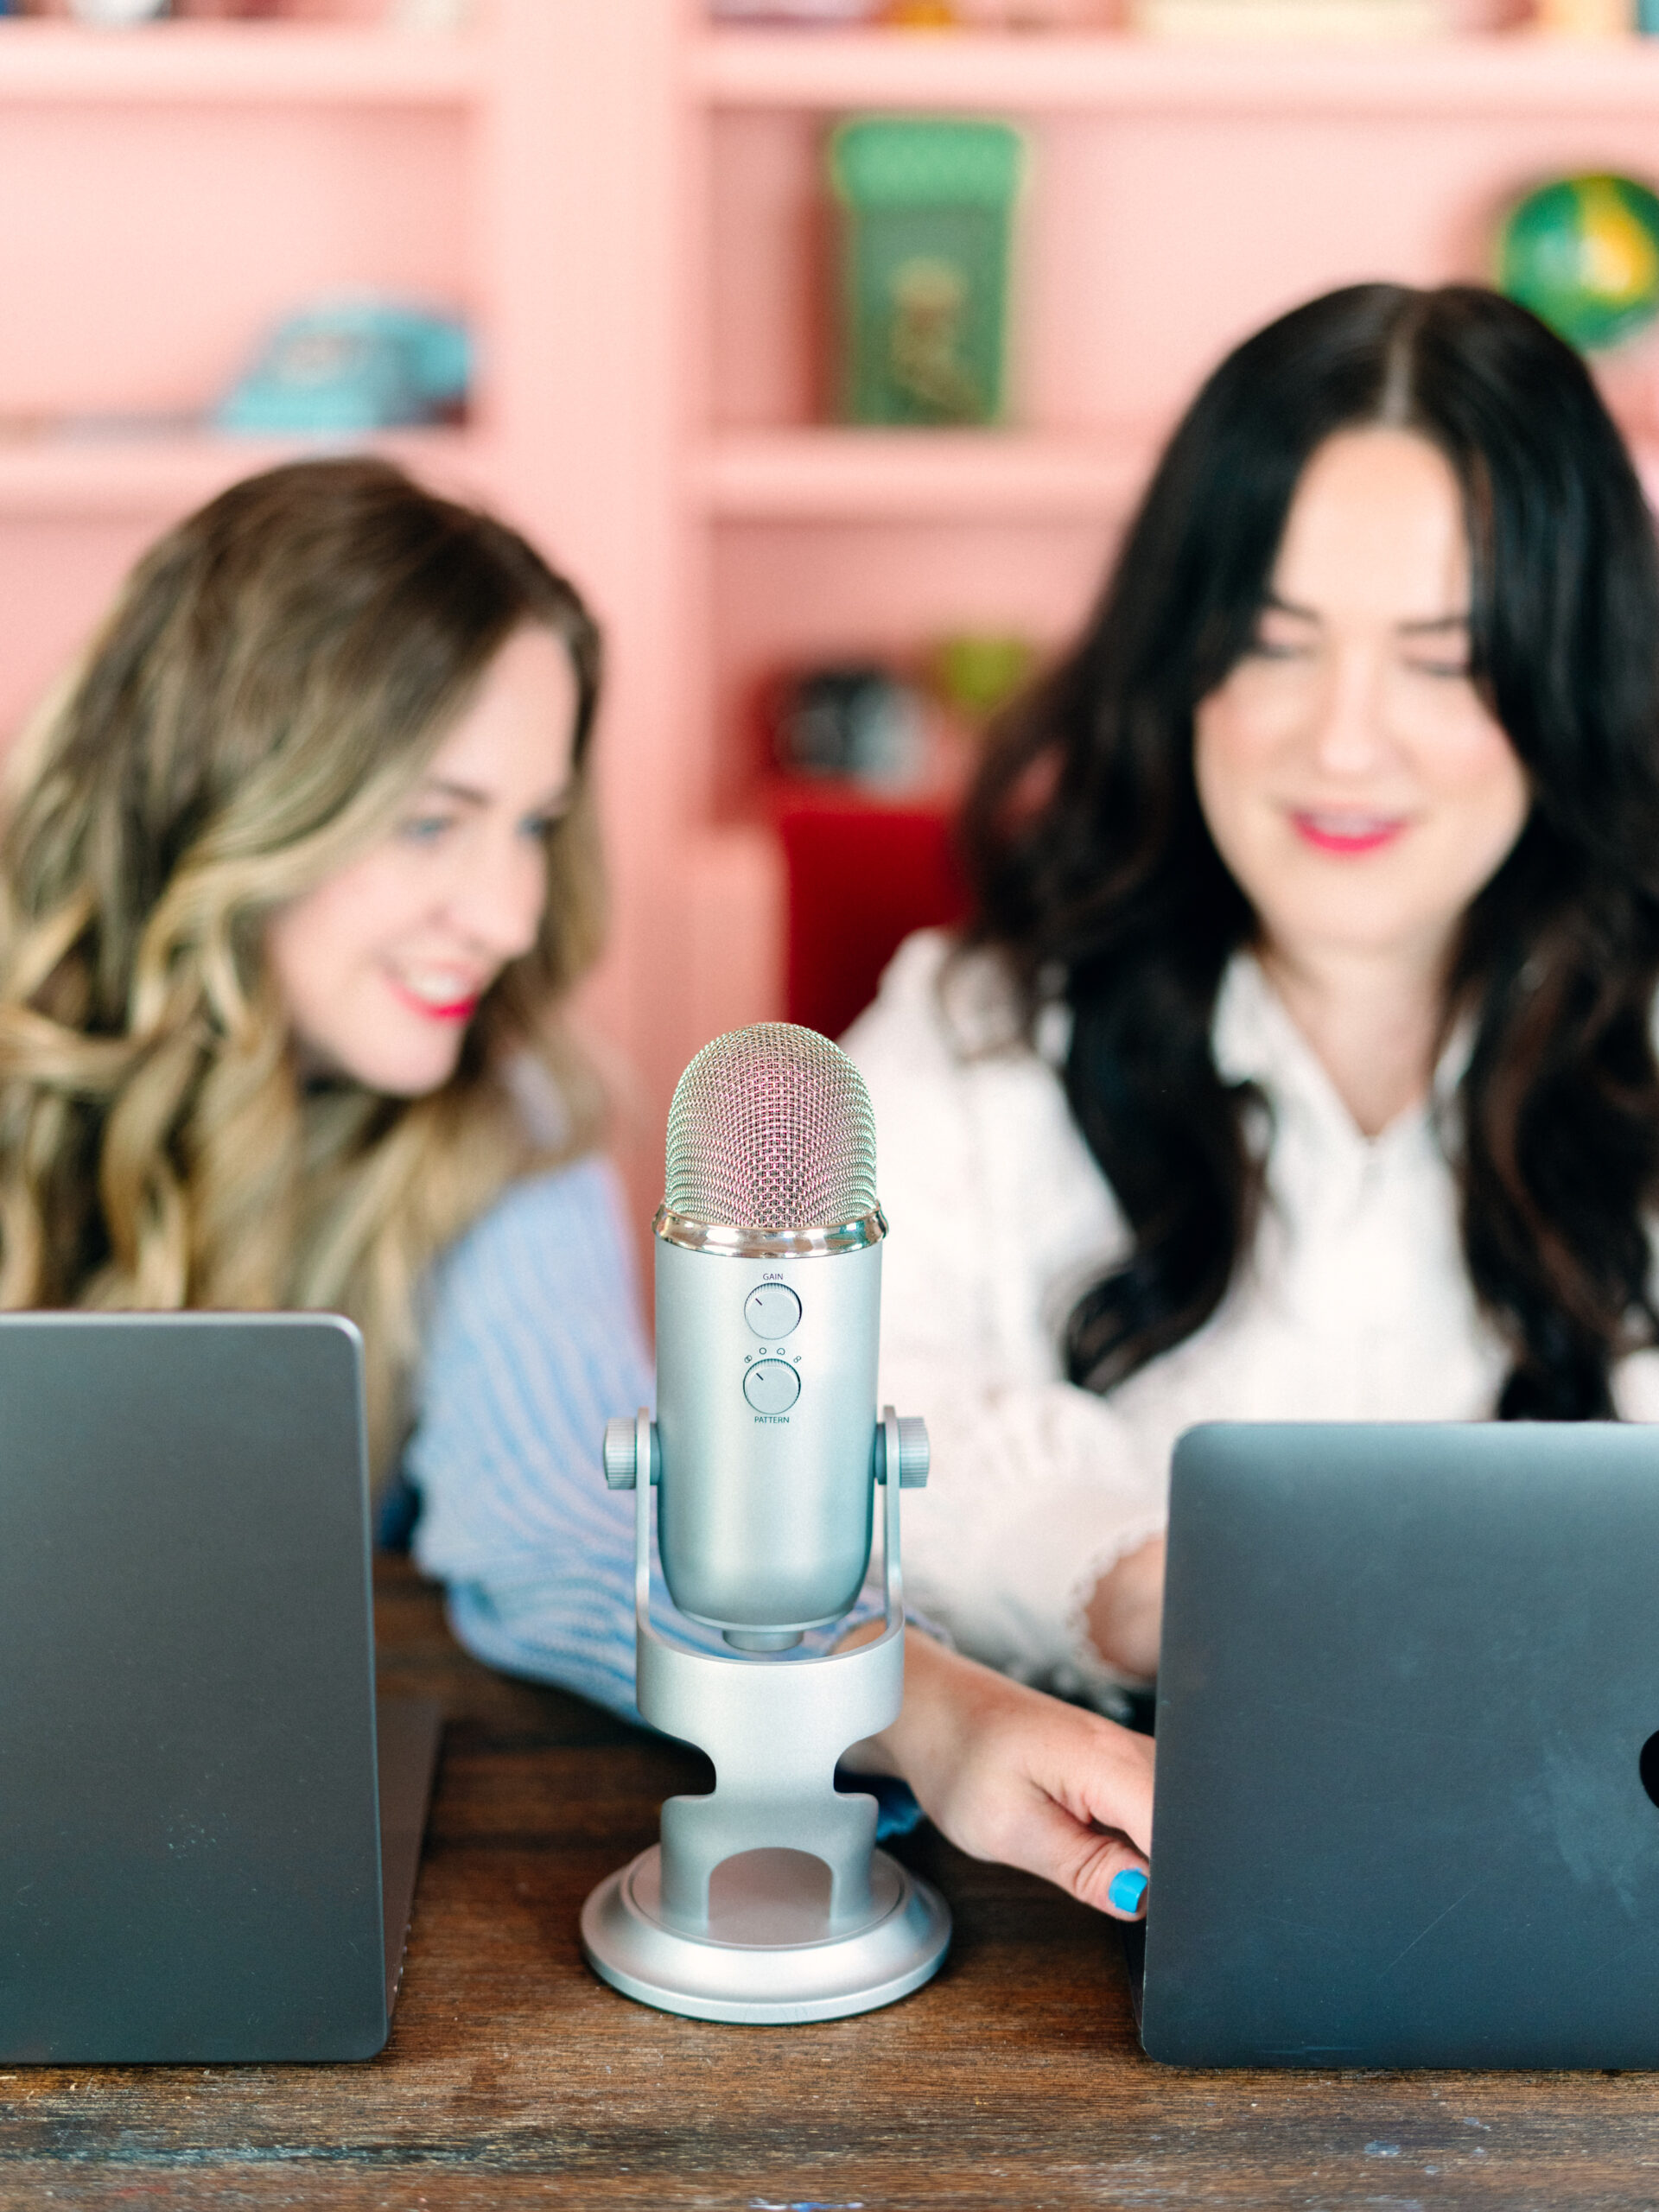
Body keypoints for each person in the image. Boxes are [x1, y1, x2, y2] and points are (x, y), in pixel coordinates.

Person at [0, 455, 1156, 1924]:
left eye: (533, 826)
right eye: (432, 819)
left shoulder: (509, 1108)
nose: (506, 912)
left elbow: (563, 1505)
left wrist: (938, 1711)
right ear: (219, 790)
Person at [843, 281, 1659, 1713]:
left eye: (1445, 659)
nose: (1343, 742)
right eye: (1277, 644)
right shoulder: (981, 1032)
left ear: (1569, 679)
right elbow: (815, 1409)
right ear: (1181, 662)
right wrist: (1128, 1583)